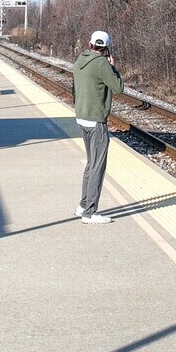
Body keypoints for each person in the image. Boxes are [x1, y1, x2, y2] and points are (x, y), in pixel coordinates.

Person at [72, 30, 124, 223]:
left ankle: (83, 205)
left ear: (90, 44)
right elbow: (118, 88)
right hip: (96, 121)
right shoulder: (102, 64)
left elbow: (74, 89)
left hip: (81, 117)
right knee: (97, 166)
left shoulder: (80, 60)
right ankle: (90, 213)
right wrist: (113, 68)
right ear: (106, 48)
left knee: (90, 163)